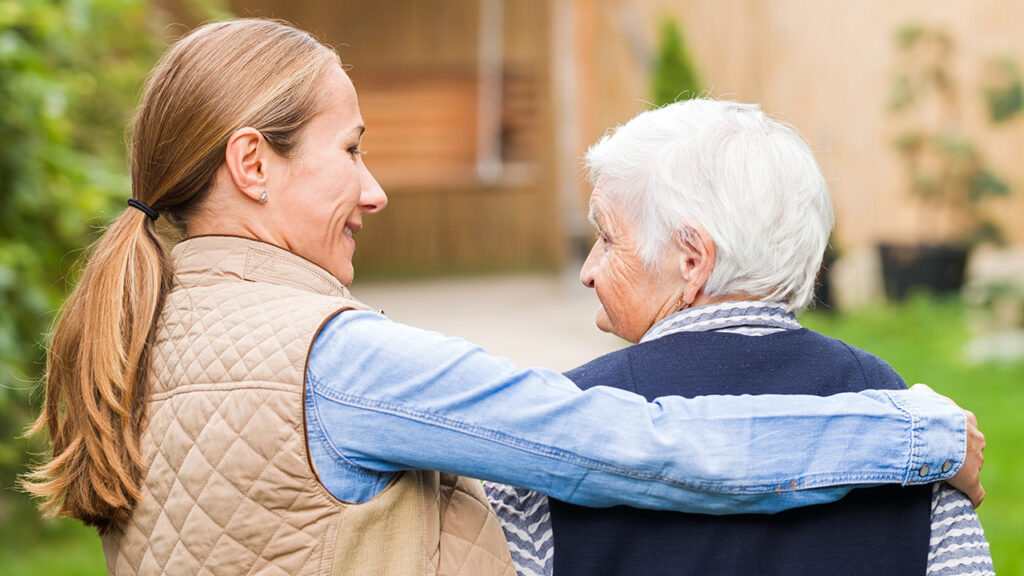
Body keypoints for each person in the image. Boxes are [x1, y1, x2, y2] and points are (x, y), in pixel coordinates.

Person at [22, 19, 982, 576]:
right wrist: (923, 438)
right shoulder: (333, 359)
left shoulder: (142, 332)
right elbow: (646, 448)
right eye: (350, 149)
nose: (373, 188)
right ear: (252, 163)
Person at [485, 99, 994, 576]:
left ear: (691, 258)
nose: (588, 271)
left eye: (607, 237)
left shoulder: (556, 428)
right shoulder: (907, 421)